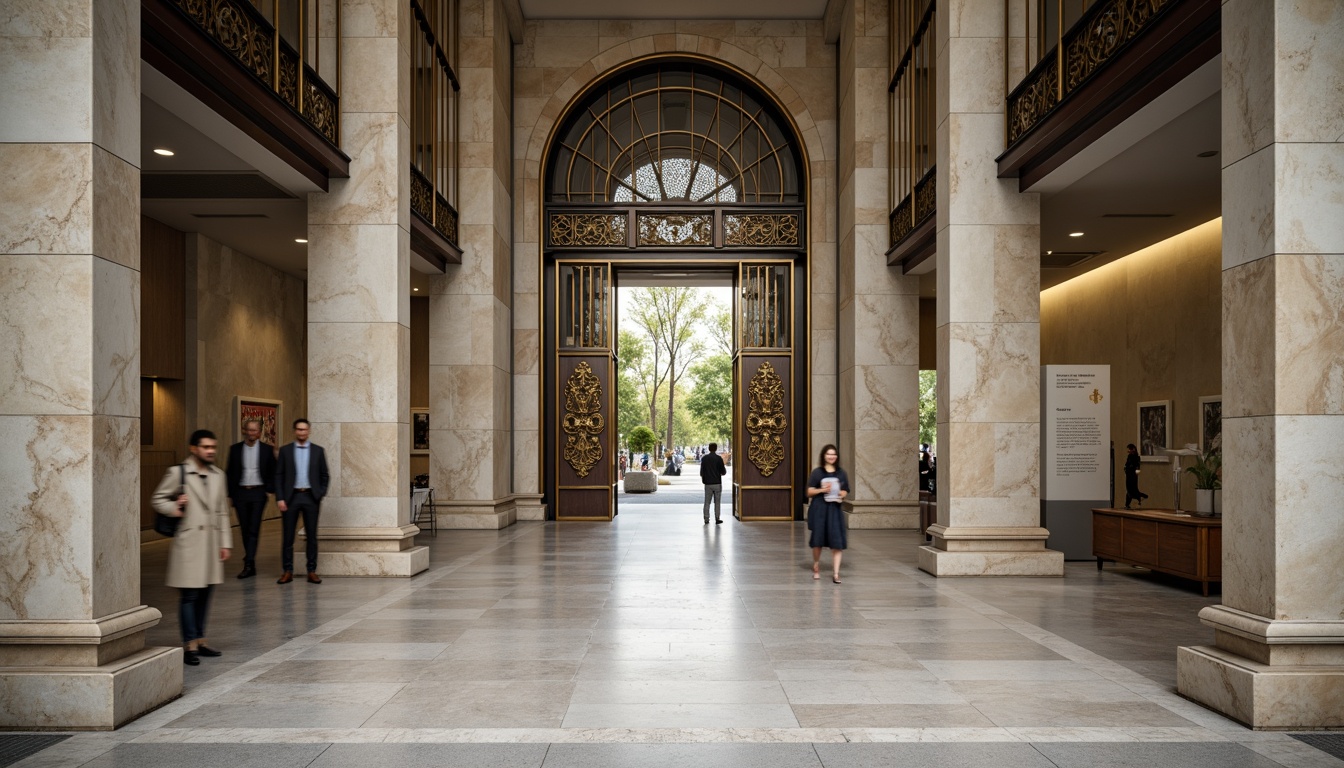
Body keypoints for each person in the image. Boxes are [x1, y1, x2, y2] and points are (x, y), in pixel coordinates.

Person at [152, 429, 232, 666]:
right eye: (206, 447)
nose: (211, 451)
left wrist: (225, 542)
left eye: (213, 447)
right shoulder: (178, 472)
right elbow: (157, 499)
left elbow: (221, 511)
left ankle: (201, 640)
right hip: (188, 543)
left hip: (210, 543)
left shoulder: (219, 475)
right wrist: (175, 507)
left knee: (206, 593)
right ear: (193, 448)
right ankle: (189, 645)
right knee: (189, 595)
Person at [275, 418, 330, 584]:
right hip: (290, 498)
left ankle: (311, 570)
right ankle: (287, 571)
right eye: (299, 429)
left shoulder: (318, 451)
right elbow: (278, 476)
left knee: (312, 536)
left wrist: (319, 493)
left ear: (309, 431)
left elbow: (324, 475)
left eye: (304, 430)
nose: (302, 432)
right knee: (288, 537)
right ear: (294, 431)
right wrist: (280, 498)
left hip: (310, 498)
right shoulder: (285, 451)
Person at [225, 418, 276, 579]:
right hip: (240, 493)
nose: (251, 433)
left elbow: (274, 471)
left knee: (254, 528)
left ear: (259, 433)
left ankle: (249, 562)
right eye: (249, 430)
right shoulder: (235, 449)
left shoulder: (268, 450)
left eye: (255, 430)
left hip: (258, 493)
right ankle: (249, 558)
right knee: (244, 529)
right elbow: (229, 473)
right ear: (244, 430)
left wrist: (269, 489)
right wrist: (230, 495)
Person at [806, 444, 849, 583]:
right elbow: (809, 491)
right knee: (818, 541)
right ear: (824, 455)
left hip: (834, 510)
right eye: (829, 454)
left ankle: (836, 573)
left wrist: (842, 494)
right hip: (820, 509)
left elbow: (845, 490)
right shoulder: (817, 472)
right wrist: (822, 490)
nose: (831, 456)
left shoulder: (841, 473)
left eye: (834, 454)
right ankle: (816, 564)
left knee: (837, 542)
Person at [699, 442, 727, 524]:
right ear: (716, 449)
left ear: (709, 448)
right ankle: (717, 518)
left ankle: (706, 519)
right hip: (717, 483)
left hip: (707, 483)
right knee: (717, 502)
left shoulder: (704, 459)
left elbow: (701, 472)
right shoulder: (719, 459)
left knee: (707, 502)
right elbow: (723, 472)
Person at [1124, 443, 1148, 509]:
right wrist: (1125, 469)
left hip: (1133, 475)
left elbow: (1137, 466)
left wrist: (1136, 472)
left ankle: (1140, 497)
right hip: (1128, 475)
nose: (1128, 451)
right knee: (1129, 490)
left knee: (1132, 489)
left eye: (1129, 449)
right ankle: (1127, 505)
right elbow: (1127, 464)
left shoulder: (1136, 457)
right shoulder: (1129, 456)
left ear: (1133, 449)